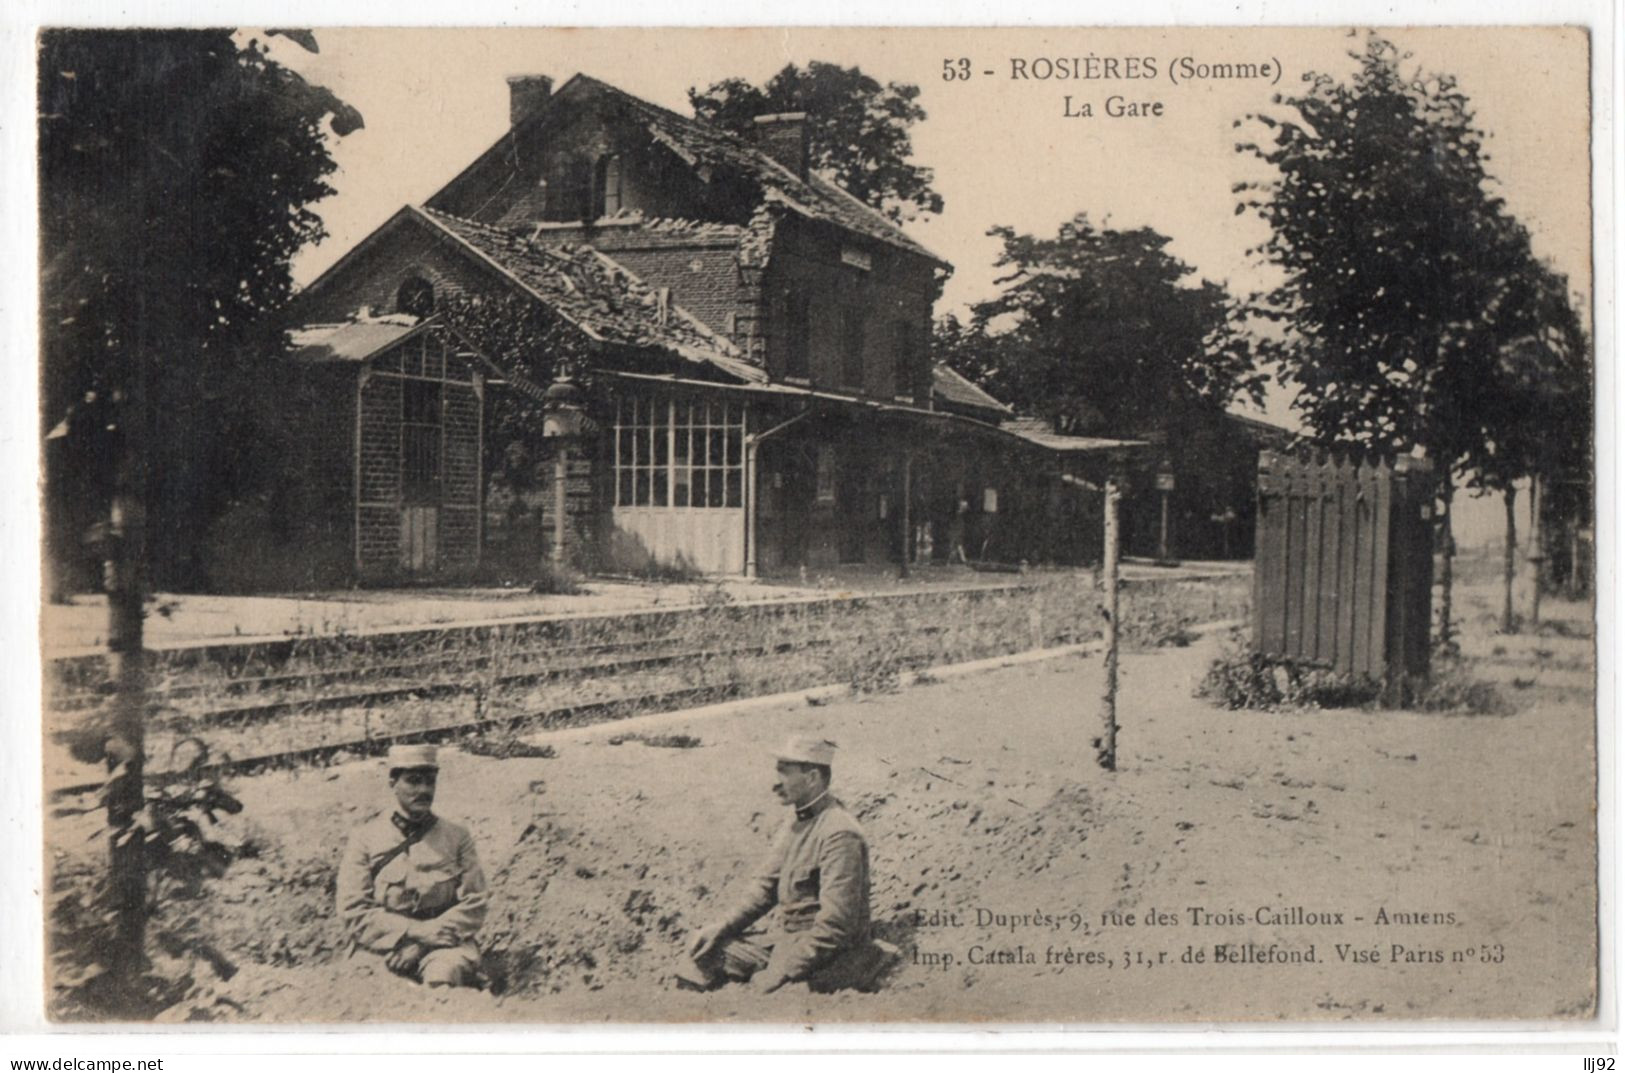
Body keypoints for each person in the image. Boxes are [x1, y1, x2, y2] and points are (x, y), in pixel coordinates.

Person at [679, 735, 891, 993]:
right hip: (789, 944)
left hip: (830, 957)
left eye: (784, 773)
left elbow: (836, 926)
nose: (774, 783)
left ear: (812, 778)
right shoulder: (796, 822)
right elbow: (764, 889)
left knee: (775, 995)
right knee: (700, 952)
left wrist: (782, 971)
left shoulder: (839, 833)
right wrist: (721, 928)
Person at [335, 744, 488, 988]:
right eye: (413, 781)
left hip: (443, 945)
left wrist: (424, 942)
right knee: (373, 989)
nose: (423, 790)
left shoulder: (457, 837)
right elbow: (353, 909)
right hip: (382, 945)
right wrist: (412, 932)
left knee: (443, 979)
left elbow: (475, 902)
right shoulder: (365, 838)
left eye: (430, 782)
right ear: (393, 783)